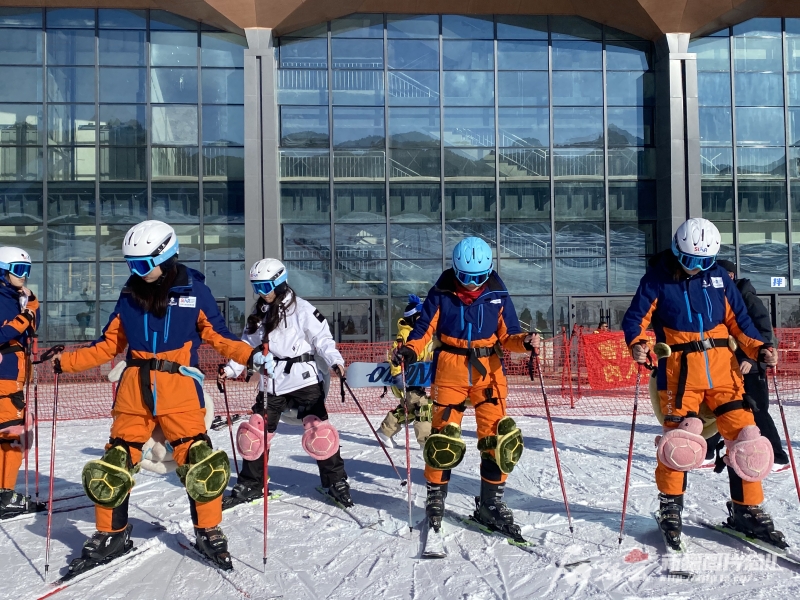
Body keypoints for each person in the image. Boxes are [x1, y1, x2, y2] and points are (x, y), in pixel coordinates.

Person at [52, 220, 265, 572]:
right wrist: (65, 362)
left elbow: (219, 336)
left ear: (166, 256)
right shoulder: (129, 295)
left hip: (179, 388)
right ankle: (111, 534)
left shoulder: (194, 291)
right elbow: (108, 344)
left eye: (143, 264)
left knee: (200, 462)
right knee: (114, 464)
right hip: (134, 391)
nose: (137, 271)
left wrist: (251, 356)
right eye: (131, 264)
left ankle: (208, 529)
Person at [622, 218, 784, 551]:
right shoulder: (657, 279)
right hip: (681, 374)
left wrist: (761, 348)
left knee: (747, 440)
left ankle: (747, 509)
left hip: (724, 371)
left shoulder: (720, 278)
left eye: (704, 262)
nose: (696, 268)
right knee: (680, 443)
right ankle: (671, 505)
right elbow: (635, 319)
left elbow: (740, 323)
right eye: (689, 260)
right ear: (676, 250)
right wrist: (637, 343)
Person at [393, 237, 539, 541]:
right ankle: (436, 494)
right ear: (454, 270)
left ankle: (490, 503)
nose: (472, 285)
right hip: (451, 369)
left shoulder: (498, 294)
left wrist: (525, 342)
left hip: (489, 371)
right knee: (443, 437)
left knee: (499, 438)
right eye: (465, 277)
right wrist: (410, 349)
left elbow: (510, 335)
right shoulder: (441, 293)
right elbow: (423, 330)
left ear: (489, 271)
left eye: (479, 278)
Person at [219, 259, 351, 510]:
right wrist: (231, 369)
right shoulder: (258, 314)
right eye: (256, 287)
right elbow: (246, 346)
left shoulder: (302, 308)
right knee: (255, 432)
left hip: (303, 377)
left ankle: (335, 481)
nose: (262, 292)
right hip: (271, 380)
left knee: (318, 431)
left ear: (280, 282)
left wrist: (335, 361)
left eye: (266, 286)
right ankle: (252, 484)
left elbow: (322, 338)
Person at [702, 260, 790, 472]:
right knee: (723, 407)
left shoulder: (746, 296)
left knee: (757, 410)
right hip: (726, 365)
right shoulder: (716, 298)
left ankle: (778, 456)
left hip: (752, 365)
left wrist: (752, 359)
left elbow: (764, 332)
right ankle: (708, 451)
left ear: (730, 276)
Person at [0, 247, 42, 519]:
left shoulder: (15, 297)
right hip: (5, 377)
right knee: (14, 435)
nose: (24, 276)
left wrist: (31, 305)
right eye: (18, 270)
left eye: (27, 270)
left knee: (8, 434)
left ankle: (4, 492)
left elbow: (31, 328)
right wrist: (24, 318)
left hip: (14, 374)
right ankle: (6, 494)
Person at [377, 294, 433, 449]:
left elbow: (427, 352)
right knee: (423, 406)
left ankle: (385, 431)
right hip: (407, 378)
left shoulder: (420, 334)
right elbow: (396, 354)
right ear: (413, 318)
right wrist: (398, 375)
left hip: (418, 377)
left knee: (409, 409)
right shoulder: (406, 334)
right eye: (420, 317)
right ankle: (425, 441)